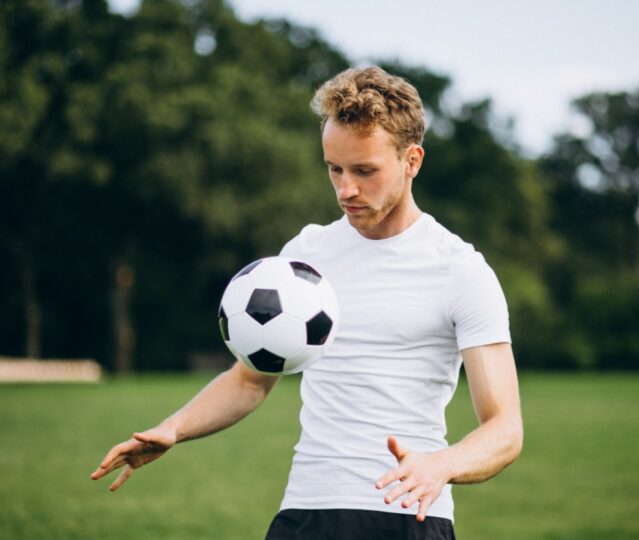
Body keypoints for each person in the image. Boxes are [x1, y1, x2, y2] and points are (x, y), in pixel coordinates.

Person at [91, 67, 523, 540]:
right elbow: (250, 381)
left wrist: (441, 466)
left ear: (412, 160)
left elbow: (504, 429)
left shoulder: (459, 269)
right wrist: (174, 428)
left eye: (364, 170)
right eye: (334, 168)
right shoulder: (306, 256)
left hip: (409, 516)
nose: (345, 190)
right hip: (306, 512)